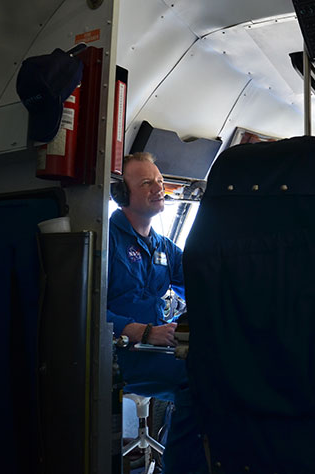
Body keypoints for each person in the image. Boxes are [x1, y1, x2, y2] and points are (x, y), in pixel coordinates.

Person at [107, 152, 207, 474]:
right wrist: (144, 331)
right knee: (193, 378)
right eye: (147, 183)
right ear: (123, 194)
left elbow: (199, 277)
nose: (158, 188)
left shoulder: (163, 247)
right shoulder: (107, 241)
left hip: (155, 345)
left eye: (160, 182)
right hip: (116, 353)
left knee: (212, 366)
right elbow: (87, 309)